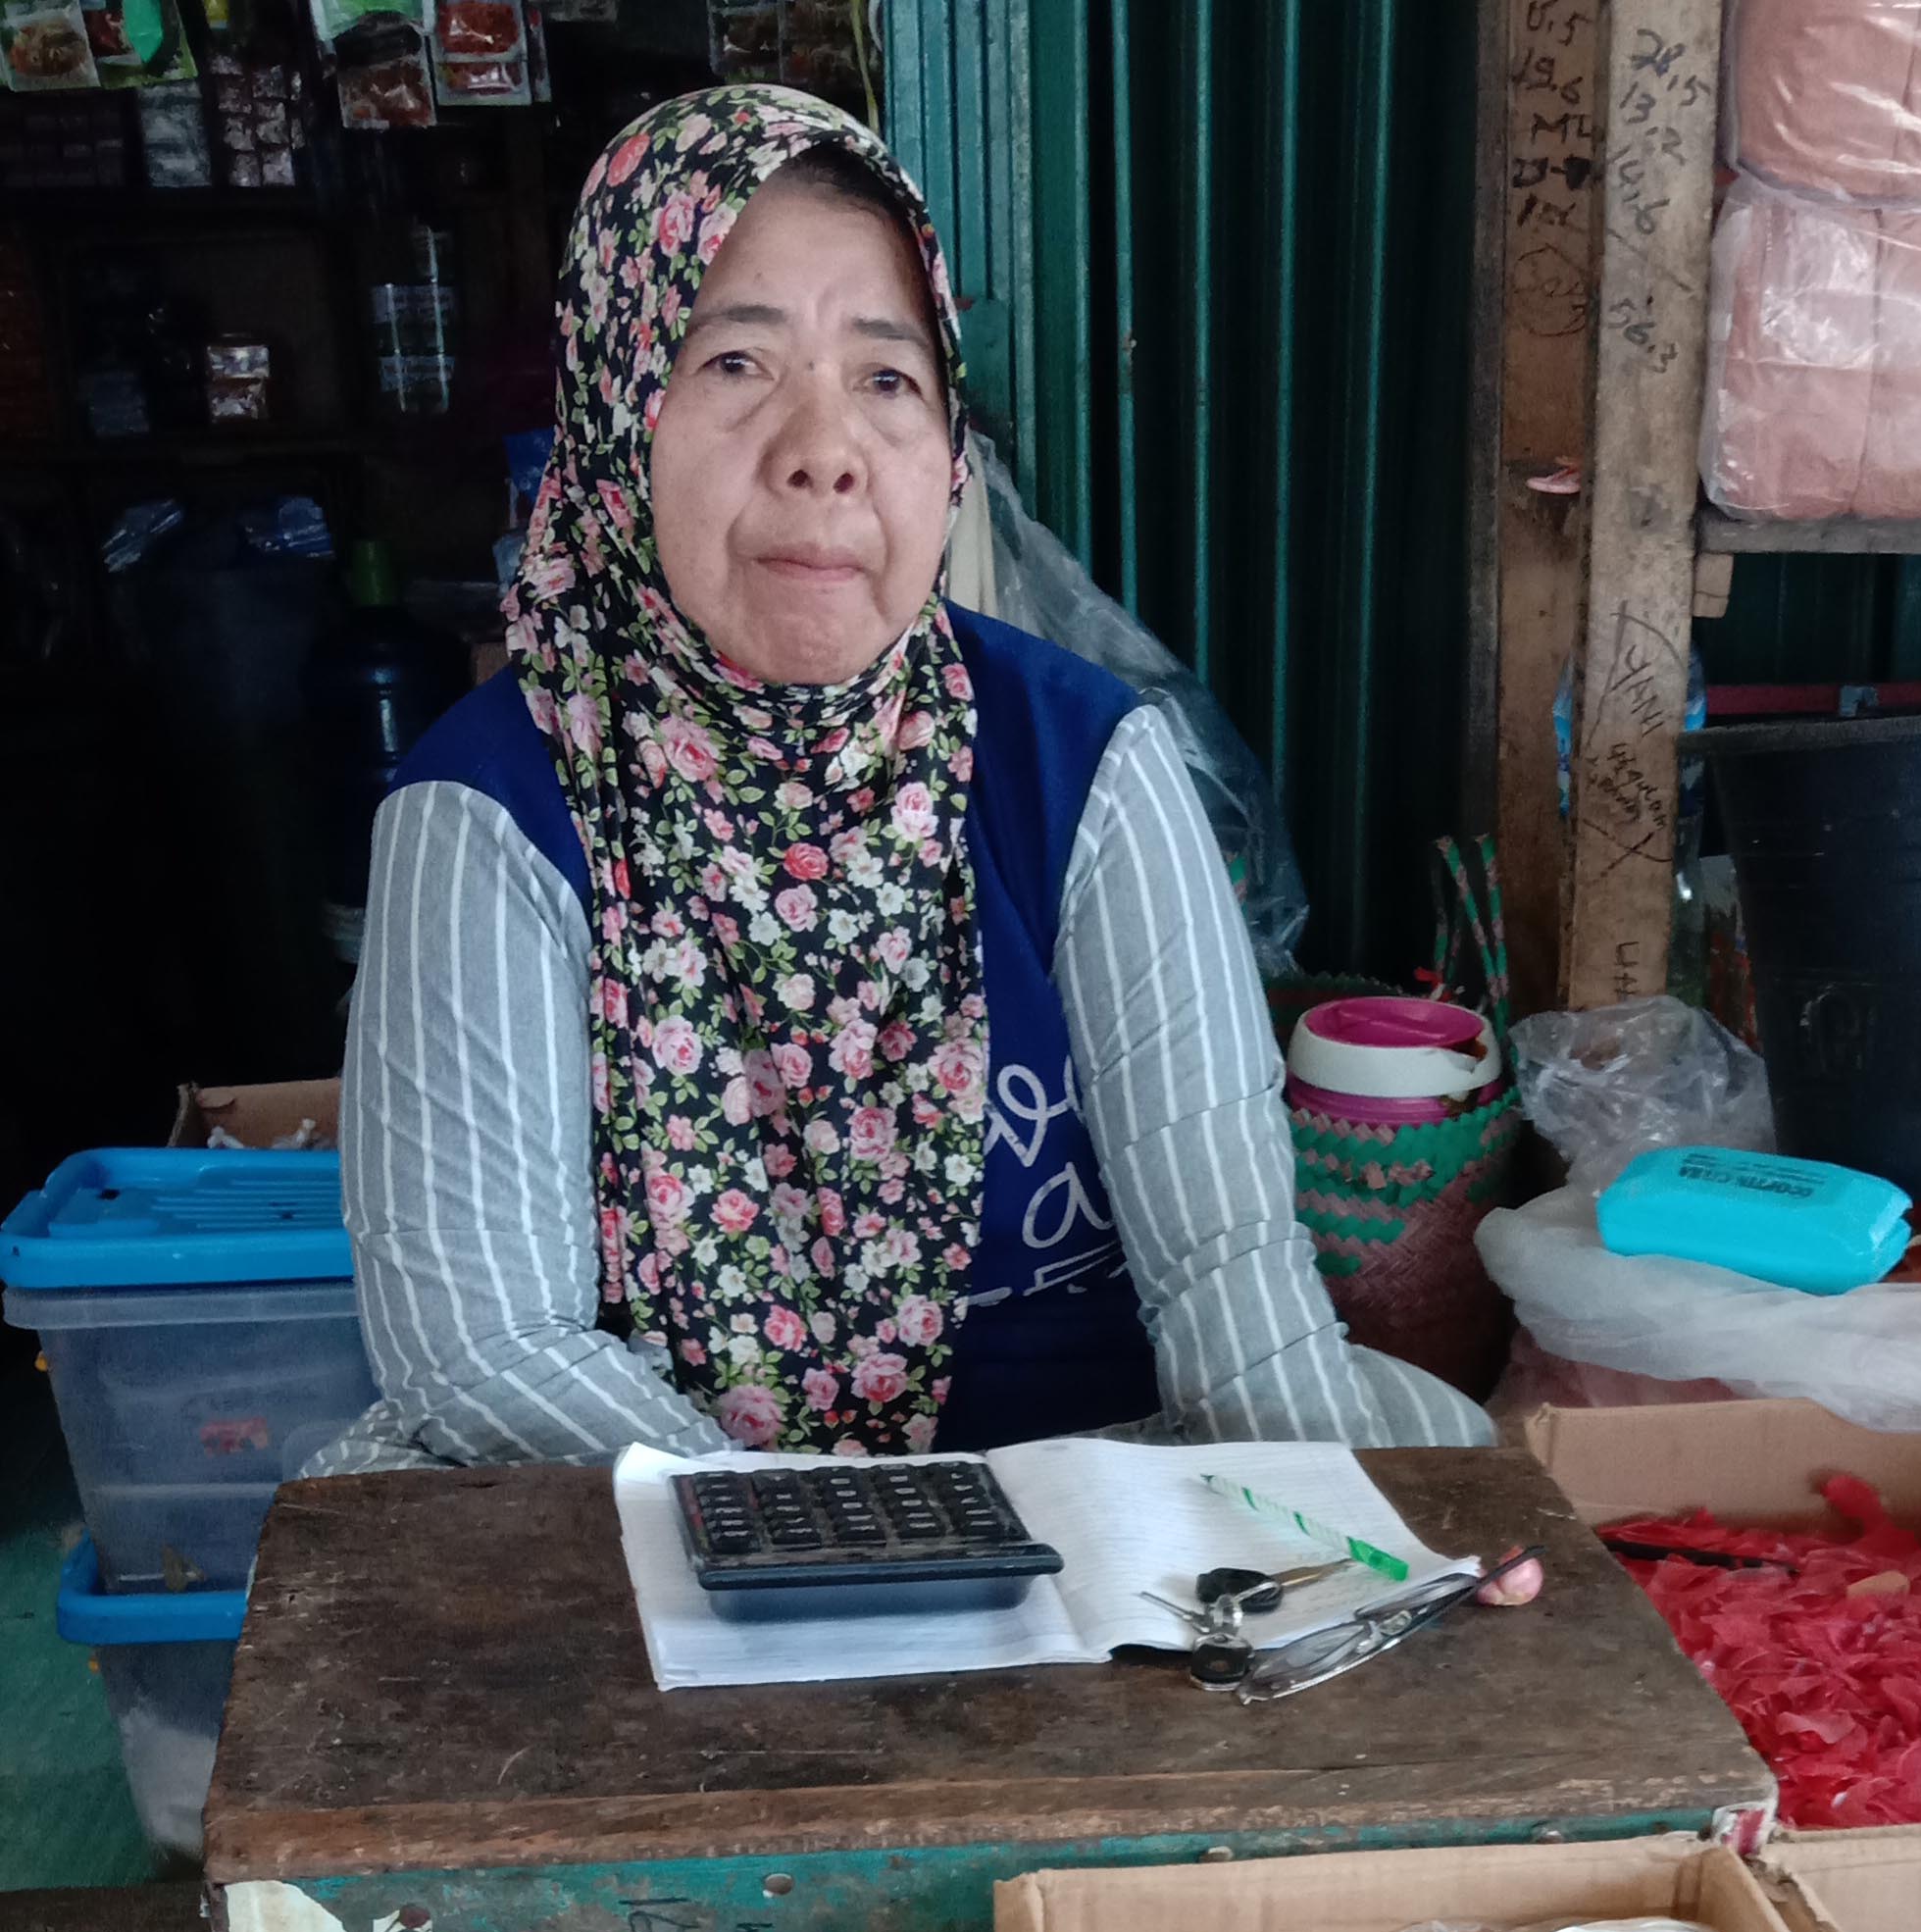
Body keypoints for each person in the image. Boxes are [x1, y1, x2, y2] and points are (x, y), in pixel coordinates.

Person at [313, 85, 1491, 1470]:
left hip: (1098, 1489)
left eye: (887, 377)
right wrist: (830, 1571)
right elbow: (487, 1353)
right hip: (648, 1513)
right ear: (614, 414)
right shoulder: (493, 808)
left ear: (948, 457)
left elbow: (1227, 1261)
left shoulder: (1079, 757)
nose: (826, 452)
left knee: (1449, 1476)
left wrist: (1296, 1563)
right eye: (734, 363)